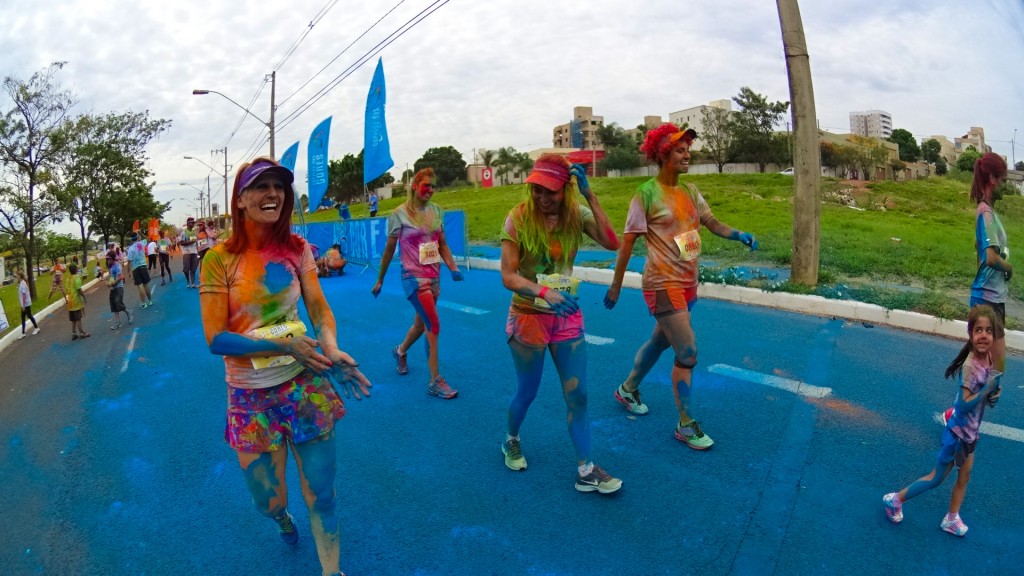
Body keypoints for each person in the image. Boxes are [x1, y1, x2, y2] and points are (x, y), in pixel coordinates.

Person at [200, 156, 370, 576]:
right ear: (241, 200)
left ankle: (332, 570)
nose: (273, 193)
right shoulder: (219, 259)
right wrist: (285, 344)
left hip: (304, 384)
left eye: (278, 186)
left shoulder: (296, 249)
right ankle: (281, 519)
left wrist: (330, 348)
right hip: (250, 396)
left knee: (323, 495)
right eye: (261, 186)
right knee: (268, 502)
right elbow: (216, 339)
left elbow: (319, 309)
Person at [603, 124, 757, 450]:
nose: (687, 155)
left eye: (688, 150)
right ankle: (685, 425)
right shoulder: (646, 194)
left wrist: (738, 234)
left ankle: (627, 389)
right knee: (687, 351)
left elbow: (711, 222)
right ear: (663, 154)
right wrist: (616, 286)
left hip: (688, 282)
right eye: (680, 150)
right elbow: (627, 244)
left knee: (659, 342)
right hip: (662, 282)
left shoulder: (689, 191)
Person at [498, 154, 623, 494]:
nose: (542, 197)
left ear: (565, 189)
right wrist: (543, 292)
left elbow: (612, 242)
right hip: (528, 315)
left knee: (578, 394)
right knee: (527, 391)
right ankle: (511, 439)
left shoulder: (576, 214)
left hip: (564, 314)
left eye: (550, 191)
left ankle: (586, 469)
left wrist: (590, 195)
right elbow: (508, 275)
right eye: (537, 189)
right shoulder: (518, 218)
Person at [882, 305, 1003, 537]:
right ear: (970, 334)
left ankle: (951, 518)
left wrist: (993, 395)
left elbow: (983, 394)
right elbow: (964, 404)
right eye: (978, 330)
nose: (984, 335)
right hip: (958, 435)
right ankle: (895, 500)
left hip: (970, 433)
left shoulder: (988, 357)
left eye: (989, 331)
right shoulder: (970, 366)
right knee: (936, 478)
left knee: (965, 475)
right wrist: (987, 391)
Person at [372, 168, 463, 399]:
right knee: (433, 324)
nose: (430, 190)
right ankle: (435, 381)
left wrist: (453, 267)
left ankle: (400, 351)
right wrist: (380, 279)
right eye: (426, 185)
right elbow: (389, 250)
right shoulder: (399, 214)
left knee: (421, 324)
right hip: (413, 278)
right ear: (414, 186)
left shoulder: (437, 211)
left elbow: (442, 244)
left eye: (433, 186)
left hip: (434, 277)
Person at [969, 152, 1010, 372]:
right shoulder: (986, 213)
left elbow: (978, 247)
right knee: (995, 369)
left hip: (990, 296)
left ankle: (968, 394)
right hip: (988, 299)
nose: (1005, 185)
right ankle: (965, 396)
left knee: (987, 368)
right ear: (993, 179)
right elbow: (992, 258)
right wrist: (1009, 268)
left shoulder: (987, 211)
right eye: (1003, 179)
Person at [126, 232, 154, 308]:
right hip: (143, 266)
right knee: (146, 284)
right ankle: (150, 301)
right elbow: (148, 239)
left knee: (140, 286)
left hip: (135, 268)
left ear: (131, 239)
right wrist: (140, 233)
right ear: (137, 237)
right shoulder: (141, 244)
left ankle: (143, 303)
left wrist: (128, 271)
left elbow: (129, 261)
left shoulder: (130, 249)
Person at [106, 250, 132, 329]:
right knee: (113, 305)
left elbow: (120, 277)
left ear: (112, 258)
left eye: (109, 259)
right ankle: (118, 323)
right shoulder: (111, 267)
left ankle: (128, 312)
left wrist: (112, 284)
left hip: (118, 288)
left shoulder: (117, 266)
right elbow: (112, 277)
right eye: (107, 259)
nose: (107, 261)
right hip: (113, 288)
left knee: (118, 302)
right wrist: (110, 283)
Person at [63, 263, 89, 340]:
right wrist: (84, 296)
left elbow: (67, 289)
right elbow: (79, 289)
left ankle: (74, 333)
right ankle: (81, 332)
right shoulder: (76, 278)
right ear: (76, 269)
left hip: (70, 302)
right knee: (78, 318)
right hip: (76, 301)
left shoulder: (68, 279)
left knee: (73, 319)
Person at [16, 270, 40, 339]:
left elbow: (24, 295)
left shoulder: (23, 283)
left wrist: (23, 306)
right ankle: (23, 333)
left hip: (26, 304)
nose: (16, 277)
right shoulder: (21, 283)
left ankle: (37, 328)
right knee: (23, 318)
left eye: (17, 275)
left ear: (20, 276)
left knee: (29, 316)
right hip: (24, 304)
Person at [180, 217, 200, 288]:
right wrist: (190, 242)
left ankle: (193, 283)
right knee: (186, 269)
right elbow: (182, 243)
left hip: (194, 252)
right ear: (188, 223)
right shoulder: (183, 232)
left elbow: (196, 242)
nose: (193, 224)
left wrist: (198, 251)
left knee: (193, 269)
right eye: (192, 223)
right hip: (186, 252)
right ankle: (188, 280)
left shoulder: (194, 232)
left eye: (193, 223)